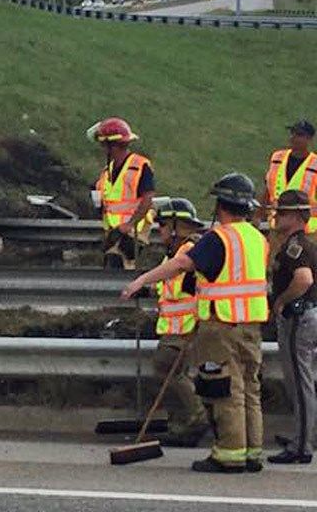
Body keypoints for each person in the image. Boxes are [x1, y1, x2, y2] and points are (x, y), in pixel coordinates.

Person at [123, 173, 269, 473]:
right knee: (250, 388)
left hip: (221, 325)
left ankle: (229, 454)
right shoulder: (258, 238)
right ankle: (253, 452)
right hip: (252, 324)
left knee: (225, 389)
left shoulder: (220, 238)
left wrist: (141, 280)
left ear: (221, 206)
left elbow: (182, 264)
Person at [149, 197, 211, 448]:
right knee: (169, 374)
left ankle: (196, 417)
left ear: (176, 227)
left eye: (163, 226)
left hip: (186, 328)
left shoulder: (190, 252)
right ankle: (179, 425)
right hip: (173, 328)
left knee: (166, 369)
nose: (160, 232)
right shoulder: (173, 255)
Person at [267, 190, 317, 464]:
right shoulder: (297, 244)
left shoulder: (295, 247)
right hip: (303, 316)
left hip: (299, 317)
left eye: (283, 213)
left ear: (298, 216)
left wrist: (281, 302)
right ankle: (301, 436)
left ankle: (302, 446)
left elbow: (304, 280)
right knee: (299, 382)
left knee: (300, 384)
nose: (277, 216)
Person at [89, 117, 154, 270]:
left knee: (117, 263)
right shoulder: (107, 172)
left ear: (112, 145)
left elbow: (148, 198)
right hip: (114, 231)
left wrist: (130, 224)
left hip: (134, 230)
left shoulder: (140, 166)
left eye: (104, 145)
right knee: (114, 266)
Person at [261, 120, 317, 236]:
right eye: (292, 133)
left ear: (309, 139)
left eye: (299, 135)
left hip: (306, 230)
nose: (294, 137)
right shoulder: (277, 157)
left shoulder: (315, 164)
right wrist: (258, 215)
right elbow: (267, 190)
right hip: (275, 226)